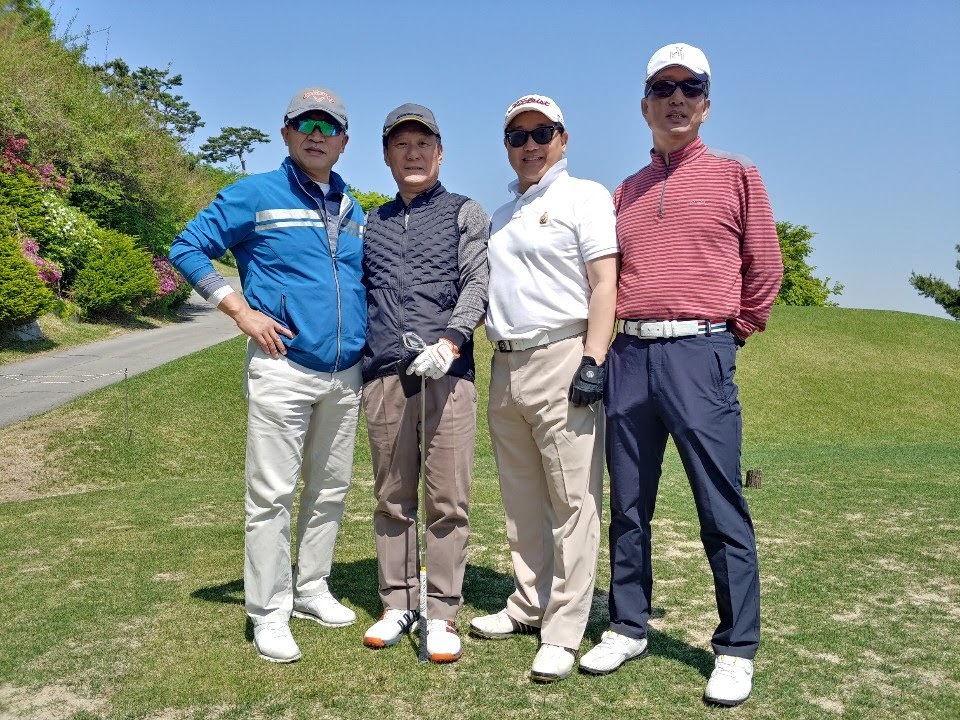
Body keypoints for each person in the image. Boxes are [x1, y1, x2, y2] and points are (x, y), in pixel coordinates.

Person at [577, 44, 784, 706]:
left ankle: (736, 647)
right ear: (644, 106)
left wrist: (730, 335)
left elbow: (765, 267)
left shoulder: (737, 174)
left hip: (701, 352)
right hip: (629, 357)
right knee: (629, 504)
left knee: (720, 504)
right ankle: (628, 624)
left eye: (689, 88)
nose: (676, 99)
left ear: (706, 104)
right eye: (663, 89)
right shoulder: (625, 191)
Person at [169, 87, 366, 664]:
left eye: (327, 127)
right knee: (272, 496)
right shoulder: (255, 193)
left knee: (329, 491)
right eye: (304, 124)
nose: (315, 135)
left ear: (343, 141)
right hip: (283, 367)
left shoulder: (352, 207)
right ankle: (269, 611)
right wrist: (239, 310)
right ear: (285, 133)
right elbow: (187, 247)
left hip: (345, 373)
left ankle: (311, 588)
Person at [469, 94, 618, 682]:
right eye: (517, 136)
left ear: (562, 138)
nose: (529, 145)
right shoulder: (501, 215)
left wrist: (593, 358)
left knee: (573, 501)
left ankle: (563, 628)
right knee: (521, 496)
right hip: (505, 362)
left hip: (563, 354)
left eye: (541, 133)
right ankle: (528, 603)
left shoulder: (586, 196)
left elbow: (603, 283)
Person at [360, 104, 489, 663]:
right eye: (401, 145)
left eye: (423, 144)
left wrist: (451, 340)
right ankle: (398, 603)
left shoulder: (465, 212)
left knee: (446, 498)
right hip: (384, 372)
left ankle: (441, 612)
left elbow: (478, 281)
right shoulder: (371, 221)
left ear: (440, 152)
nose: (412, 154)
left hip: (447, 371)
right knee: (392, 497)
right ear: (387, 155)